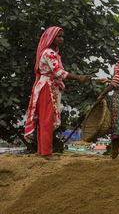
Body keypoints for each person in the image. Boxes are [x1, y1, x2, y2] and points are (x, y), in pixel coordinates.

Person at [25, 27, 91, 161]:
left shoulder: (45, 52)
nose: (62, 39)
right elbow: (58, 72)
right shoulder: (50, 53)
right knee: (47, 120)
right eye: (59, 36)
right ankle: (47, 153)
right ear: (51, 38)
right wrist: (79, 78)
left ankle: (41, 151)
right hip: (47, 88)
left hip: (43, 86)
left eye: (62, 37)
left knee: (42, 120)